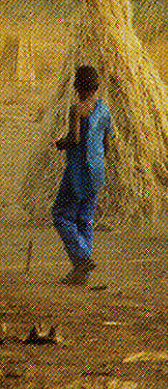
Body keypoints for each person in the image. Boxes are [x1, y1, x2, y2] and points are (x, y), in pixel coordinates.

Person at [53, 65, 112, 286]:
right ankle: (81, 273)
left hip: (77, 172)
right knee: (85, 219)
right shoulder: (104, 110)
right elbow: (107, 144)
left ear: (77, 87)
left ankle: (82, 259)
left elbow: (74, 139)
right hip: (97, 171)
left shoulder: (77, 109)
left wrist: (60, 144)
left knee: (61, 215)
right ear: (96, 88)